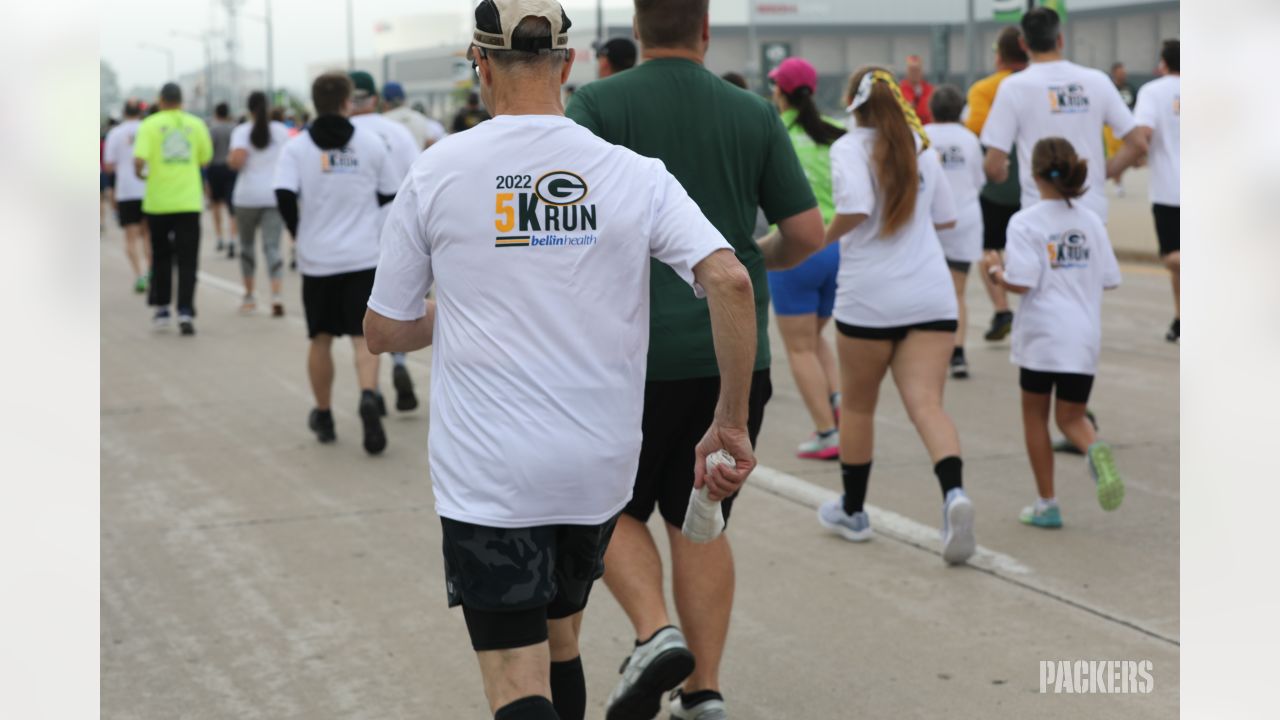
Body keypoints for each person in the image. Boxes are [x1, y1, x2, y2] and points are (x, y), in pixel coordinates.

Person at [364, 4, 760, 720]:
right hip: (595, 468)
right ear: (568, 64)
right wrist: (729, 421)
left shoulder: (438, 171)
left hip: (491, 473)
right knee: (560, 644)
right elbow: (731, 280)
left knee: (516, 685)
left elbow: (385, 331)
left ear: (478, 64)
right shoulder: (632, 173)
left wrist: (451, 312)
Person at [566, 1, 824, 717]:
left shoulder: (596, 103)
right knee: (701, 515)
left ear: (639, 31)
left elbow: (569, 226)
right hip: (731, 353)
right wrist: (751, 255)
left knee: (608, 509)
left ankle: (656, 632)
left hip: (626, 359)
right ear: (705, 29)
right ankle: (703, 690)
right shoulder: (751, 112)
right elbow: (804, 231)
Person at [814, 67, 976, 568]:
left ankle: (854, 511)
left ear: (853, 102)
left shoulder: (848, 147)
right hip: (932, 295)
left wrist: (821, 237)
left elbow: (857, 208)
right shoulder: (919, 144)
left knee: (859, 408)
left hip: (870, 298)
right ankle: (953, 496)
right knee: (928, 405)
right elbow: (946, 218)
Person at [983, 137, 1125, 528]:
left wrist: (995, 273)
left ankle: (1048, 503)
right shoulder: (1091, 220)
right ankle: (1093, 448)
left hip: (1043, 336)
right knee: (1072, 416)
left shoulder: (1025, 221)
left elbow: (1022, 281)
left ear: (1034, 173)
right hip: (1083, 335)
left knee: (1035, 416)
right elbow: (1111, 279)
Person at [273, 72, 400, 455]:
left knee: (322, 339)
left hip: (318, 261)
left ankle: (324, 413)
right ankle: (366, 395)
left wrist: (299, 232)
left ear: (314, 103)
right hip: (362, 256)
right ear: (348, 101)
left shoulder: (297, 148)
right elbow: (390, 194)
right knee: (364, 339)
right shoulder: (371, 142)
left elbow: (282, 193)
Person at [981, 7, 1147, 225]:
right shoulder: (1097, 81)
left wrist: (1001, 174)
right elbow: (1138, 144)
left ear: (1023, 44)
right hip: (1091, 210)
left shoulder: (1013, 88)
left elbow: (993, 166)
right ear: (1060, 40)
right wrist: (1101, 172)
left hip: (1038, 212)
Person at [763, 57, 844, 459]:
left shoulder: (779, 135)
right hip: (838, 249)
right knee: (814, 340)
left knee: (798, 349)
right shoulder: (836, 134)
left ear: (780, 91)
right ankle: (838, 407)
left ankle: (827, 433)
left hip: (795, 249)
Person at [349, 70, 424, 413]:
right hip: (399, 234)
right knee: (400, 307)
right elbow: (419, 180)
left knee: (364, 321)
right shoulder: (398, 133)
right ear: (375, 99)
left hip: (354, 241)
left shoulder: (339, 134)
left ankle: (371, 390)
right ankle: (399, 365)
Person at [1111, 39, 1180, 342]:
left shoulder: (1154, 91)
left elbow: (1144, 133)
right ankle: (1181, 319)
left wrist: (1126, 163)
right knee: (1177, 265)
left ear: (1162, 64)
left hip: (1170, 190)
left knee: (1173, 257)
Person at [133, 82, 213, 336]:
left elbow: (138, 161)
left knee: (161, 255)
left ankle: (162, 308)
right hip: (189, 202)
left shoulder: (149, 124)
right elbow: (205, 158)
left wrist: (144, 175)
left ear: (160, 100)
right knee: (188, 259)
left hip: (158, 202)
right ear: (181, 101)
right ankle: (186, 311)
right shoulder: (196, 125)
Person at [965, 25, 1028, 344]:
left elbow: (975, 127)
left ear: (999, 55)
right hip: (1037, 183)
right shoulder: (1039, 83)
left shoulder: (985, 89)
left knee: (988, 248)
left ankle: (1002, 308)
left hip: (998, 182)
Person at [924, 85, 986, 379]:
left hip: (929, 221)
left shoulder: (922, 137)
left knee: (927, 288)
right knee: (957, 291)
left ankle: (927, 350)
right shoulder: (970, 139)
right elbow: (978, 179)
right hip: (964, 220)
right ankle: (958, 354)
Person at [228, 90, 291, 316]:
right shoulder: (282, 131)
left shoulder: (242, 131)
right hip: (273, 196)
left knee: (246, 247)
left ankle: (249, 295)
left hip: (246, 197)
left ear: (248, 108)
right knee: (272, 247)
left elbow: (236, 162)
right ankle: (276, 294)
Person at [102, 99, 152, 294]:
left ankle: (139, 275)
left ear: (124, 112)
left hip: (126, 190)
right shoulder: (148, 129)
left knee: (130, 236)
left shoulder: (115, 134)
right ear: (140, 113)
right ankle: (150, 271)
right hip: (148, 189)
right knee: (148, 235)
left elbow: (108, 166)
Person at [207, 102, 238, 258]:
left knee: (216, 204)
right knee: (232, 207)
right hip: (231, 169)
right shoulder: (234, 129)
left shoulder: (212, 130)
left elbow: (207, 151)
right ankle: (233, 238)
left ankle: (219, 237)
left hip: (215, 168)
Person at [383, 81, 447, 150]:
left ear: (385, 102)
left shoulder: (383, 120)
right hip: (418, 159)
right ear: (403, 99)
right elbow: (430, 142)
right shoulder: (419, 117)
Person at [900, 54, 934, 125]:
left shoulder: (930, 90)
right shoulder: (899, 89)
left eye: (917, 70)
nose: (914, 73)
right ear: (907, 71)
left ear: (922, 71)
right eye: (912, 70)